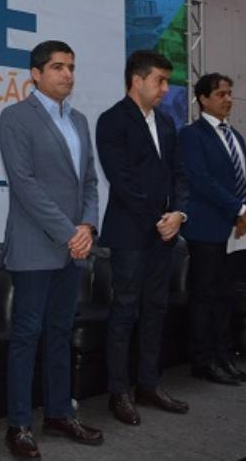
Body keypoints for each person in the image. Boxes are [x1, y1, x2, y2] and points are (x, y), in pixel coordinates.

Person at [0, 40, 103, 459]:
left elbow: (89, 181)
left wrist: (87, 225)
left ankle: (59, 413)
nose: (67, 74)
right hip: (35, 247)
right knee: (27, 336)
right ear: (36, 74)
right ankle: (19, 425)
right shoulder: (15, 117)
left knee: (60, 332)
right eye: (58, 67)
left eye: (71, 67)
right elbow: (24, 185)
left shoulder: (78, 120)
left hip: (72, 248)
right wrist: (69, 231)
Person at [95, 50, 190, 426]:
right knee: (125, 312)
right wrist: (158, 220)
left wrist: (179, 213)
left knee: (156, 309)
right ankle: (118, 392)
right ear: (137, 80)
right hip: (130, 232)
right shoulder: (112, 120)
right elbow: (122, 181)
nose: (166, 89)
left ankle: (148, 384)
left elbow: (179, 173)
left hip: (164, 232)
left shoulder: (166, 122)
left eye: (167, 81)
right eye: (159, 81)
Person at [178, 73, 246, 385]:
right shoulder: (191, 135)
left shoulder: (234, 134)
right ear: (203, 99)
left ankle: (224, 356)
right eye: (221, 94)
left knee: (226, 295)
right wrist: (239, 209)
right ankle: (203, 360)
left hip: (236, 228)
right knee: (205, 297)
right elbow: (201, 179)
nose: (228, 99)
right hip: (207, 228)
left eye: (230, 93)